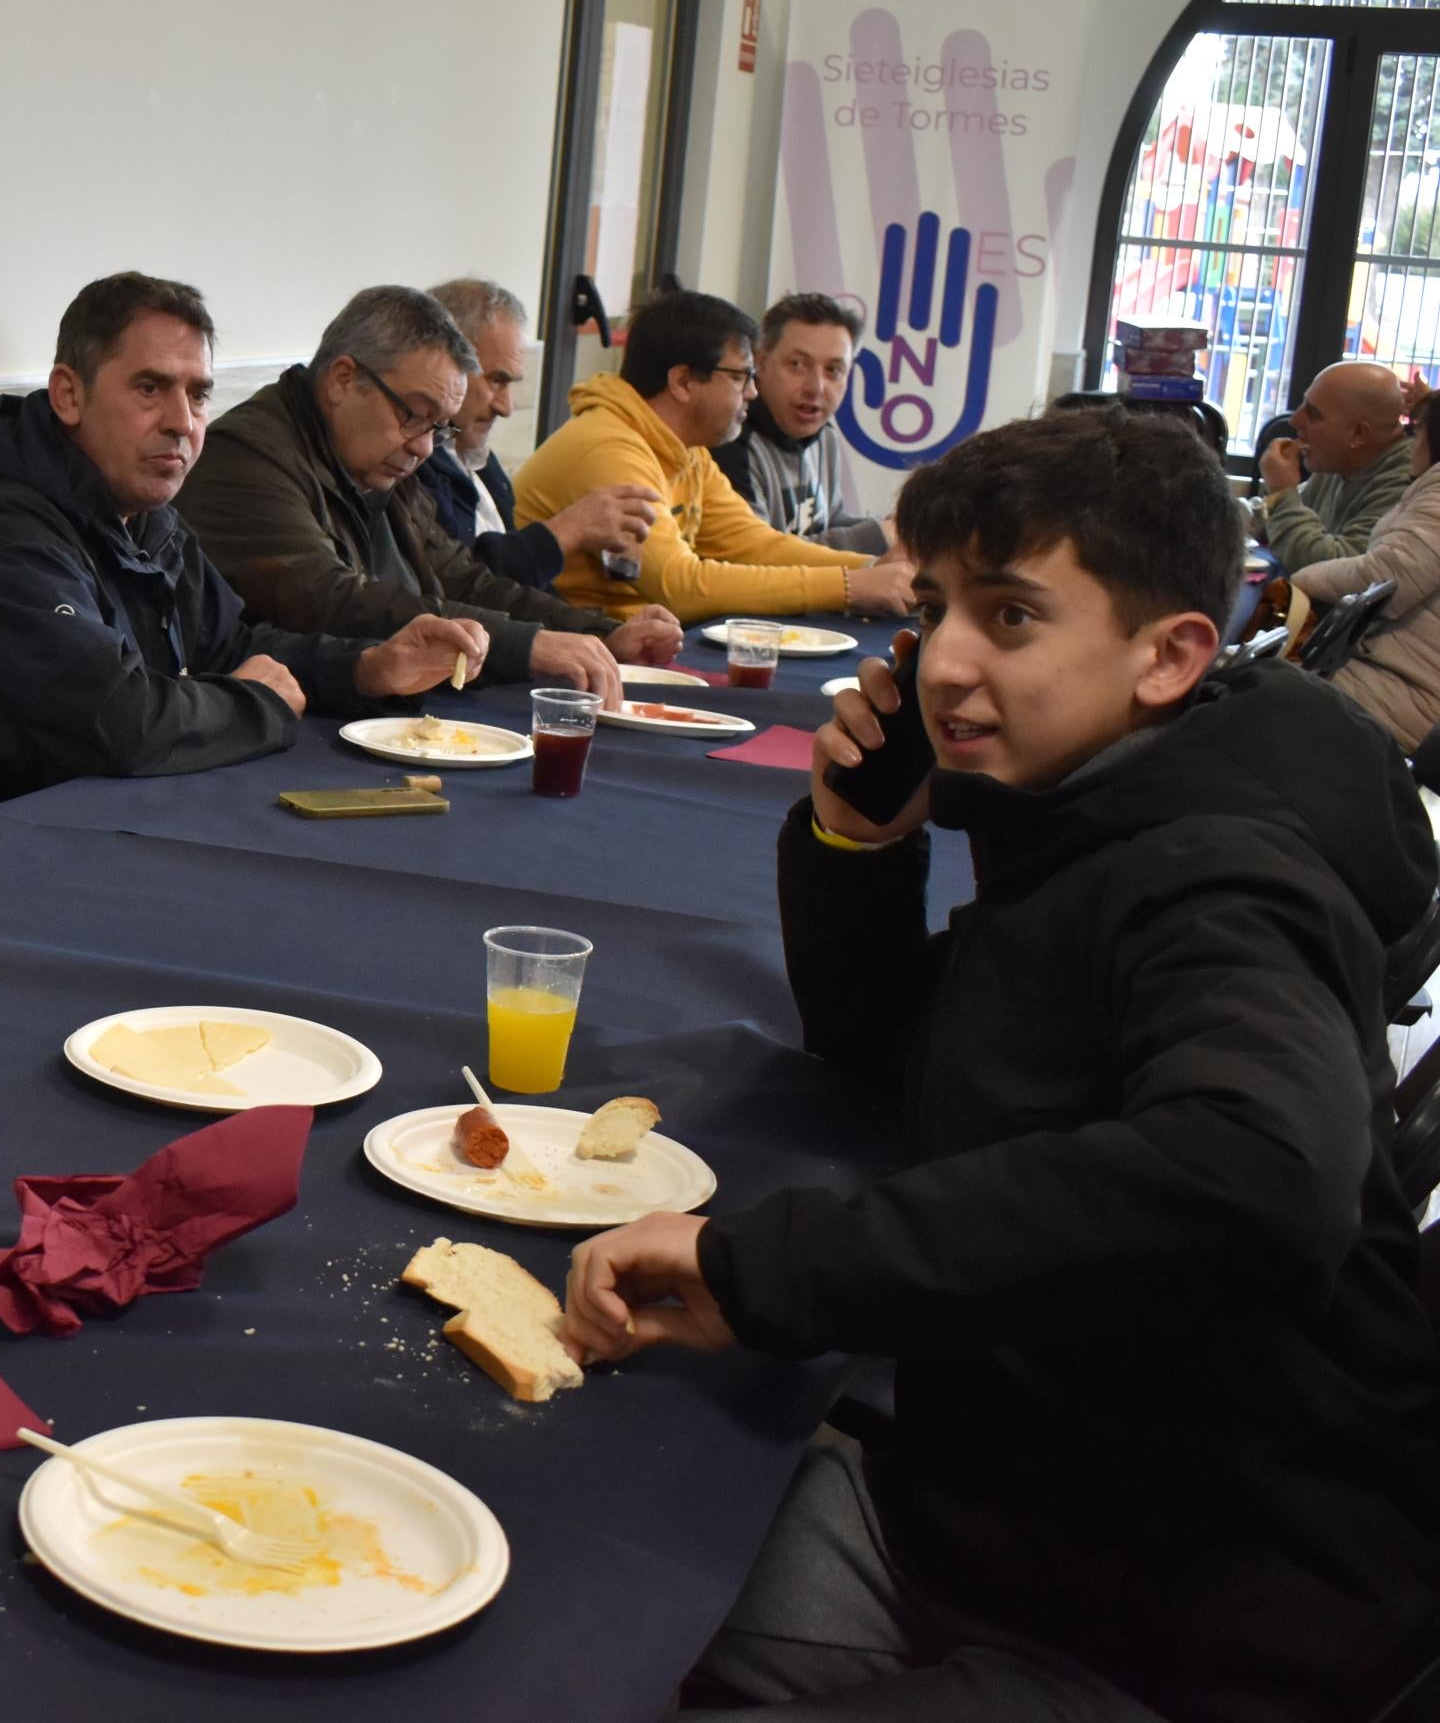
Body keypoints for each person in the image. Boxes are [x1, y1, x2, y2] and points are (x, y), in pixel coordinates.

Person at [560, 409, 1440, 1722]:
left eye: (1012, 618)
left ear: (1170, 656)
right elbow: (917, 1058)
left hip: (1167, 1622)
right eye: (938, 610)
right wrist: (861, 842)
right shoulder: (1104, 814)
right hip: (1005, 1507)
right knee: (573, 1545)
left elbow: (1261, 1171)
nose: (946, 663)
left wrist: (772, 1267)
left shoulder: (1220, 879)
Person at [0, 272, 491, 837]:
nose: (183, 422)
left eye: (199, 394)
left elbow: (229, 649)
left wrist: (367, 670)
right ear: (69, 394)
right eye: (151, 388)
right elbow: (114, 723)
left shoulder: (145, 514)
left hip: (91, 828)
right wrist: (258, 703)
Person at [174, 284, 679, 691]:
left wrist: (599, 634)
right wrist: (525, 646)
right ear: (343, 379)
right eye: (414, 415)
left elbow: (463, 578)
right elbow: (333, 601)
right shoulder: (246, 457)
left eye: (440, 428)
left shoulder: (375, 458)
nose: (424, 448)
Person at [511, 289, 916, 622]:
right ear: (683, 382)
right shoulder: (609, 448)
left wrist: (866, 569)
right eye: (741, 377)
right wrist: (847, 586)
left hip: (637, 640)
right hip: (573, 650)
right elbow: (681, 586)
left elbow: (755, 545)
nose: (752, 393)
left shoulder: (687, 448)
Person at [413, 277, 659, 591]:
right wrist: (568, 529)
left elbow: (526, 598)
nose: (506, 407)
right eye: (496, 381)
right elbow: (460, 587)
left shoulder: (482, 464)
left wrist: (598, 631)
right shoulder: (413, 465)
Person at [1295, 406, 1440, 749]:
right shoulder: (1332, 472)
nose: (1410, 442)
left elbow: (1390, 575)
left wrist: (1299, 580)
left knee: (1245, 694)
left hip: (1406, 695)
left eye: (1417, 431)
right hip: (1394, 677)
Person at [709, 291, 896, 554]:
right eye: (797, 365)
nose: (815, 388)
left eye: (833, 370)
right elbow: (757, 559)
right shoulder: (730, 443)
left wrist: (893, 530)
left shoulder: (824, 436)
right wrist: (876, 536)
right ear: (760, 362)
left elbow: (828, 520)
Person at [1260, 359, 1414, 571]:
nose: (1295, 420)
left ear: (1359, 434)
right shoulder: (1341, 459)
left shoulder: (1405, 482)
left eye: (1313, 414)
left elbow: (1335, 568)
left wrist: (1281, 492)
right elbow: (1281, 520)